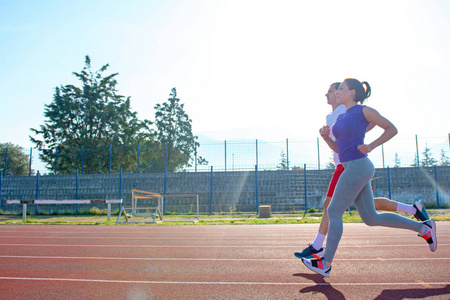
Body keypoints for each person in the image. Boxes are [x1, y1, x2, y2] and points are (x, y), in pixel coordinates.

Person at [301, 78, 437, 278]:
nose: (337, 91)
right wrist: (326, 137)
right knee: (371, 218)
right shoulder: (341, 118)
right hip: (350, 166)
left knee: (333, 210)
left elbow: (392, 128)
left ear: (353, 92)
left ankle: (325, 263)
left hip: (359, 166)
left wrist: (371, 146)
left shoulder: (364, 111)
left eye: (341, 88)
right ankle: (424, 228)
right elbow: (339, 149)